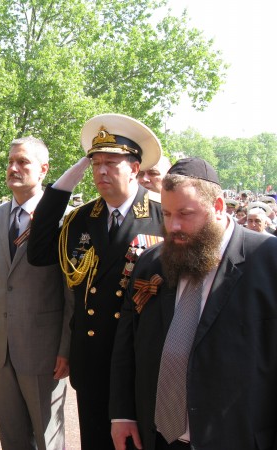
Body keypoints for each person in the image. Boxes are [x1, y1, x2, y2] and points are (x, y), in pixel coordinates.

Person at [109, 157, 277, 450]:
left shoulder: (268, 260)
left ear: (218, 206)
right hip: (158, 437)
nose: (173, 226)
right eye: (167, 213)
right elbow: (127, 343)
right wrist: (122, 413)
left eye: (185, 214)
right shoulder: (151, 262)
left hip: (235, 438)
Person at [28, 113, 165, 450]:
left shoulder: (162, 215)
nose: (101, 171)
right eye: (96, 163)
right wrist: (63, 187)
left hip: (140, 358)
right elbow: (39, 251)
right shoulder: (81, 218)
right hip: (91, 358)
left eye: (111, 163)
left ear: (134, 168)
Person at [0, 137, 71, 449]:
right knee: (12, 437)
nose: (13, 168)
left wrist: (66, 347)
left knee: (48, 437)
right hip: (0, 348)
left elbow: (70, 292)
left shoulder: (64, 220)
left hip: (43, 351)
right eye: (10, 162)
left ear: (44, 169)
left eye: (23, 162)